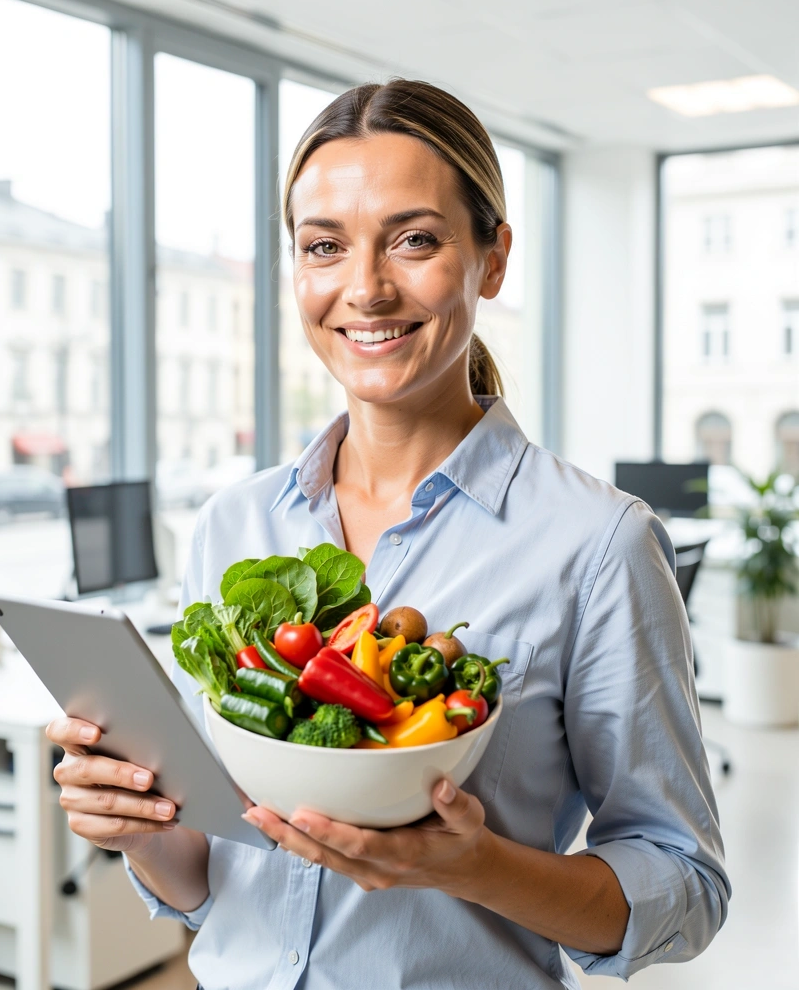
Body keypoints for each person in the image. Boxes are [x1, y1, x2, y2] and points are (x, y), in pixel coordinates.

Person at [48, 79, 730, 990]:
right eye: (323, 247)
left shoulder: (598, 543)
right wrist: (136, 826)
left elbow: (684, 884)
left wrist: (476, 868)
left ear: (491, 260)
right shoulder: (233, 526)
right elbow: (216, 883)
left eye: (414, 240)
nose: (365, 289)